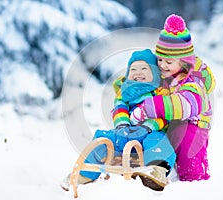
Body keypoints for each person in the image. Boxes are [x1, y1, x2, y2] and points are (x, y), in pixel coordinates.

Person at [61, 49, 176, 191]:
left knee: (158, 140)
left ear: (155, 73)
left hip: (149, 132)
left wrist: (147, 126)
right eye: (133, 69)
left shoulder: (160, 93)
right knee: (103, 138)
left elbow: (163, 116)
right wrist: (122, 125)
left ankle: (156, 170)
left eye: (144, 68)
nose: (137, 72)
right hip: (125, 131)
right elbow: (119, 109)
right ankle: (85, 174)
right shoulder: (124, 93)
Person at [130, 14, 216, 182]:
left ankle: (196, 184)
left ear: (183, 62)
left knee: (189, 163)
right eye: (160, 59)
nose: (162, 65)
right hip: (174, 124)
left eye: (168, 62)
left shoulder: (193, 81)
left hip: (194, 127)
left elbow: (184, 105)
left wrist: (150, 107)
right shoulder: (168, 75)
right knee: (168, 152)